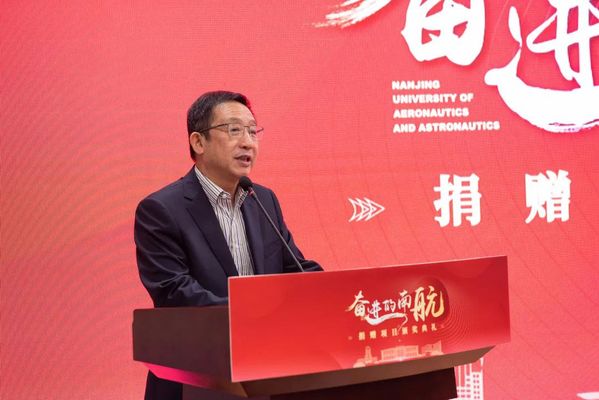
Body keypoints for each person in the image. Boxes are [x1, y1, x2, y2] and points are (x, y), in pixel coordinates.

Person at [134, 91, 322, 399]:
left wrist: (329, 292)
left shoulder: (263, 200)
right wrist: (253, 316)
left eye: (253, 131)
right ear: (198, 142)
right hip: (195, 379)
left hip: (262, 374)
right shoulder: (161, 209)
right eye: (234, 130)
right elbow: (175, 293)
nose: (248, 142)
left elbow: (294, 268)